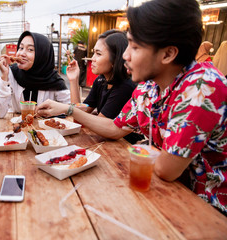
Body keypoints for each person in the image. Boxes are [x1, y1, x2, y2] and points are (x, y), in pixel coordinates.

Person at [37, 0, 227, 215]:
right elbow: (116, 128)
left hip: (208, 209)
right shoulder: (149, 87)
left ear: (168, 54)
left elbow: (166, 169)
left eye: (135, 47)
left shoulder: (202, 86)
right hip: (165, 193)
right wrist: (70, 109)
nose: (125, 55)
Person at [68, 30, 143, 144]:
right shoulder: (101, 80)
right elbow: (81, 113)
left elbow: (99, 122)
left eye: (98, 54)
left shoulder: (125, 86)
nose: (92, 58)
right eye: (93, 53)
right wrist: (74, 80)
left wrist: (68, 109)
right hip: (104, 141)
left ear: (115, 59)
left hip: (124, 148)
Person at [0, 31, 70, 118]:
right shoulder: (11, 73)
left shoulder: (54, 80)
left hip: (46, 129)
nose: (22, 53)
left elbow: (71, 109)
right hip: (16, 128)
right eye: (21, 48)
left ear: (42, 55)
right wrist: (4, 77)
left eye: (30, 49)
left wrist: (49, 112)